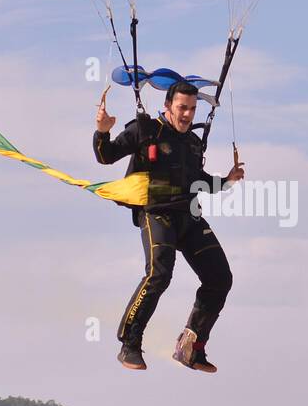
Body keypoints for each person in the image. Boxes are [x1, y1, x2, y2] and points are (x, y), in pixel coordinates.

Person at [94, 77, 245, 372]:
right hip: (156, 213)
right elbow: (105, 156)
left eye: (191, 109)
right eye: (181, 108)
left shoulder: (191, 142)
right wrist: (102, 132)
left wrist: (226, 180)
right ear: (168, 106)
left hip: (188, 214)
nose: (187, 114)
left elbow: (197, 181)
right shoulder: (145, 130)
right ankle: (130, 342)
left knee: (220, 278)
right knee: (160, 274)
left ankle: (191, 346)